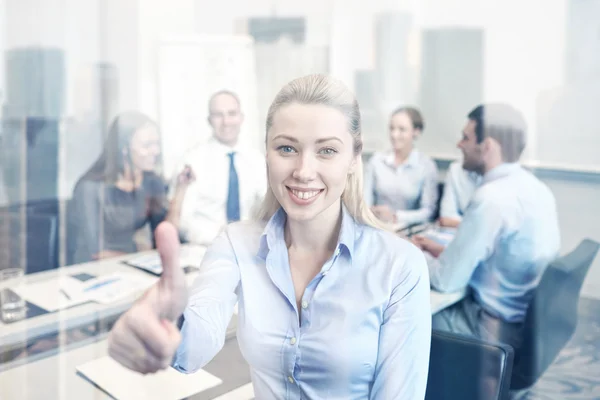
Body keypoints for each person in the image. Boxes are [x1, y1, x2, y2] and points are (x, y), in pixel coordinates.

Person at [108, 74, 431, 399]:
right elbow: (196, 343)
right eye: (287, 148)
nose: (303, 171)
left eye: (327, 151)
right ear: (267, 152)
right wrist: (168, 324)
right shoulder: (236, 243)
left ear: (353, 159)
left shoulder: (398, 266)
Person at [413, 103, 560, 350]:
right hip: (522, 323)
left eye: (466, 137)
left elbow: (445, 281)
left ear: (488, 146)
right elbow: (495, 259)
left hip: (491, 328)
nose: (460, 144)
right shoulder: (538, 189)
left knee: (408, 318)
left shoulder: (491, 198)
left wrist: (411, 253)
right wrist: (438, 251)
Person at [166, 90, 266, 245]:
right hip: (204, 248)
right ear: (209, 120)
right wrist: (222, 238)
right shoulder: (192, 161)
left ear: (241, 118)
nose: (226, 121)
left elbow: (267, 208)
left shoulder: (257, 160)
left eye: (232, 114)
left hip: (249, 247)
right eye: (218, 115)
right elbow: (182, 220)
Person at [70, 111, 167, 264]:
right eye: (147, 145)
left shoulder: (152, 182)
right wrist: (142, 255)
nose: (156, 151)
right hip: (93, 267)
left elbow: (163, 234)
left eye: (157, 144)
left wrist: (181, 189)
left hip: (133, 263)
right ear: (124, 148)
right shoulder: (89, 187)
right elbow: (95, 251)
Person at [364, 106, 439, 228]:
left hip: (407, 231)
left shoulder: (426, 166)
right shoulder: (376, 161)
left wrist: (395, 216)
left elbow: (428, 212)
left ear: (416, 131)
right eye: (391, 128)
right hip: (374, 226)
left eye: (402, 129)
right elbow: (364, 202)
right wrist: (370, 213)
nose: (394, 135)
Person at [438, 159, 481, 228]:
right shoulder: (456, 168)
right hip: (455, 234)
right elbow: (446, 217)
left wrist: (455, 223)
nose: (458, 147)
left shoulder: (501, 175)